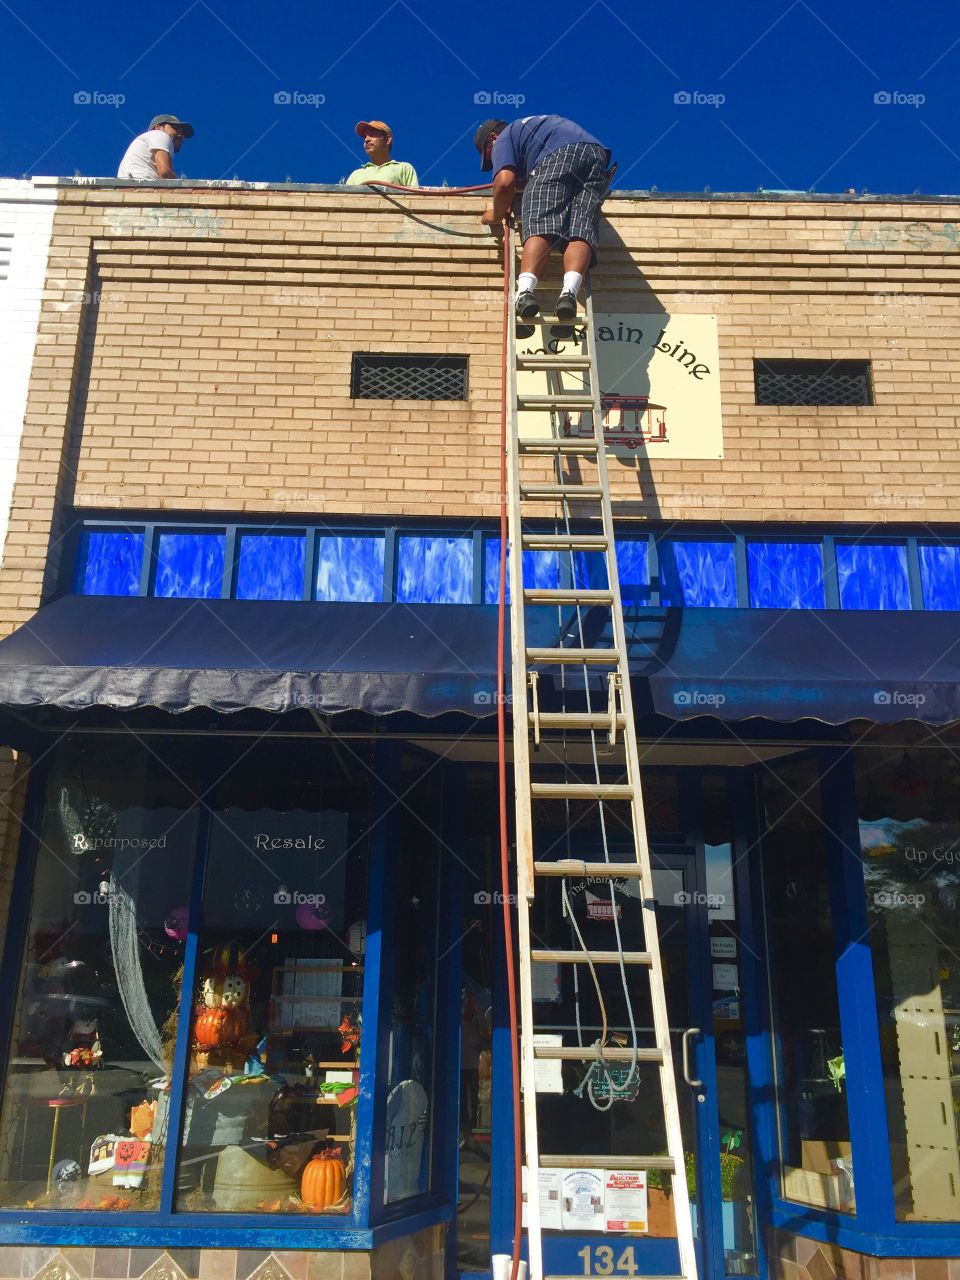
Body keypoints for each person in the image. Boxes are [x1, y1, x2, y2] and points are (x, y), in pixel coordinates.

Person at [474, 115, 612, 322]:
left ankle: (525, 293)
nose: (493, 162)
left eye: (489, 155)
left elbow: (504, 183)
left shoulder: (505, 137)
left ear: (493, 138)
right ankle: (569, 294)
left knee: (540, 222)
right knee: (580, 229)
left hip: (558, 155)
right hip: (596, 155)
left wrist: (495, 214)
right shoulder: (535, 130)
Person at [117, 115, 194, 180]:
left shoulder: (148, 139)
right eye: (175, 128)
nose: (180, 135)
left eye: (182, 132)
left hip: (131, 189)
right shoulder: (160, 134)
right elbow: (165, 172)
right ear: (158, 128)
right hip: (140, 189)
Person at [345, 120, 418, 188]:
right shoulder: (356, 175)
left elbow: (415, 199)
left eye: (372, 134)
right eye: (365, 137)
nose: (366, 140)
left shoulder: (404, 168)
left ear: (388, 139)